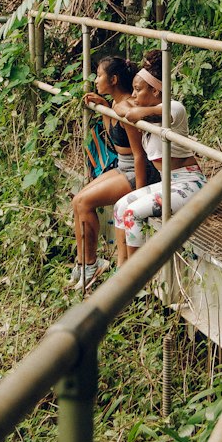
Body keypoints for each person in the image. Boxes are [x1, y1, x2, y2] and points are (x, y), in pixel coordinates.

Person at [113, 50, 207, 256]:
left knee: (132, 213)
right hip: (169, 182)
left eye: (138, 90)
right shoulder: (147, 114)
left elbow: (156, 111)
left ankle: (135, 279)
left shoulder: (174, 109)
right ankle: (122, 270)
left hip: (191, 184)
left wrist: (136, 111)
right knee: (120, 206)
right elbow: (122, 108)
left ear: (156, 92)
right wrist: (134, 110)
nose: (134, 95)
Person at [68, 55, 149, 291]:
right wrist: (104, 107)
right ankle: (83, 263)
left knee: (84, 202)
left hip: (135, 172)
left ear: (113, 79)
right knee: (78, 201)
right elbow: (114, 139)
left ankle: (91, 266)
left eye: (99, 75)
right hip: (122, 166)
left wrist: (141, 193)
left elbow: (139, 155)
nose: (95, 80)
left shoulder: (128, 110)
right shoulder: (116, 105)